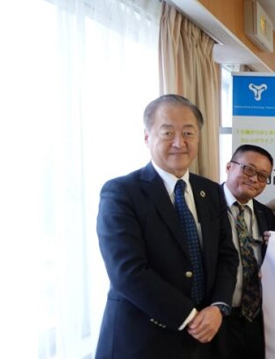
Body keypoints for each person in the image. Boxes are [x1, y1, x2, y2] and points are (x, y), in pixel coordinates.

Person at [95, 94, 238, 358]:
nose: (179, 143)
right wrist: (189, 316)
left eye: (188, 133)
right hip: (143, 340)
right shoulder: (121, 192)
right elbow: (127, 270)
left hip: (205, 340)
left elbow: (227, 256)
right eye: (167, 132)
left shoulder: (210, 191)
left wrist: (218, 307)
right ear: (147, 137)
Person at [218, 144, 275, 359]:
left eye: (263, 176)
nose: (255, 179)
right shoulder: (207, 204)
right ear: (229, 166)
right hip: (218, 316)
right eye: (249, 169)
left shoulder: (266, 213)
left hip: (256, 319)